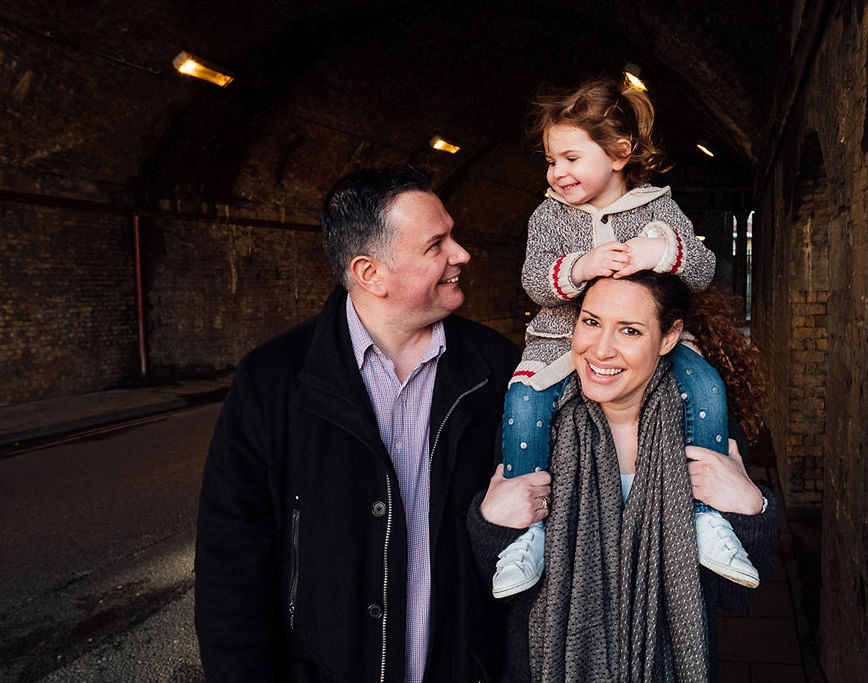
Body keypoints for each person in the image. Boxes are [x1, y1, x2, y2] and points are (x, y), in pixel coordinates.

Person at [194, 166, 520, 682]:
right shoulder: (273, 380)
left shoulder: (498, 370)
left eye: (452, 235)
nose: (462, 254)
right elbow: (230, 566)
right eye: (437, 245)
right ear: (371, 273)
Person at [493, 77, 758, 599]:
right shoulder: (550, 214)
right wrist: (581, 265)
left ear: (619, 153)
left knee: (705, 387)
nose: (557, 172)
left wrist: (659, 253)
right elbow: (531, 278)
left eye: (570, 157)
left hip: (648, 342)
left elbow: (702, 267)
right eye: (551, 161)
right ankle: (529, 535)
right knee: (523, 403)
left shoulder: (657, 206)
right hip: (557, 342)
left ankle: (706, 518)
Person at [469, 272, 777, 682]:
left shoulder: (704, 426)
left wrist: (751, 507)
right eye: (591, 322)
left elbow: (736, 595)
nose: (601, 349)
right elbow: (501, 592)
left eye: (629, 330)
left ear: (669, 338)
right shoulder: (533, 427)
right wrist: (491, 523)